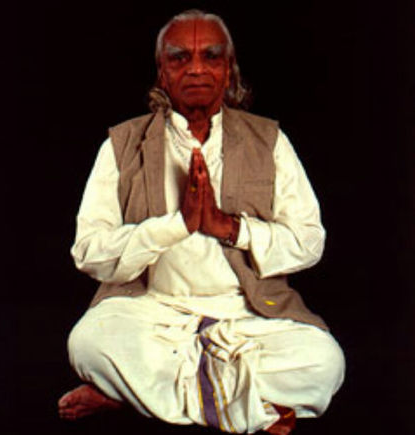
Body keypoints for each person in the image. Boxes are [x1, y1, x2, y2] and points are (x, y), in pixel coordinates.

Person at [58, 9, 345, 435]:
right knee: (89, 342)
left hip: (246, 315)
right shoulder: (122, 144)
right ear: (162, 72)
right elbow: (88, 251)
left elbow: (308, 241)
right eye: (179, 58)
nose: (196, 68)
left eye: (211, 56)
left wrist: (228, 226)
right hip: (152, 311)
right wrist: (178, 225)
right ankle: (246, 407)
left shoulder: (269, 141)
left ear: (228, 70)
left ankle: (134, 396)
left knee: (324, 362)